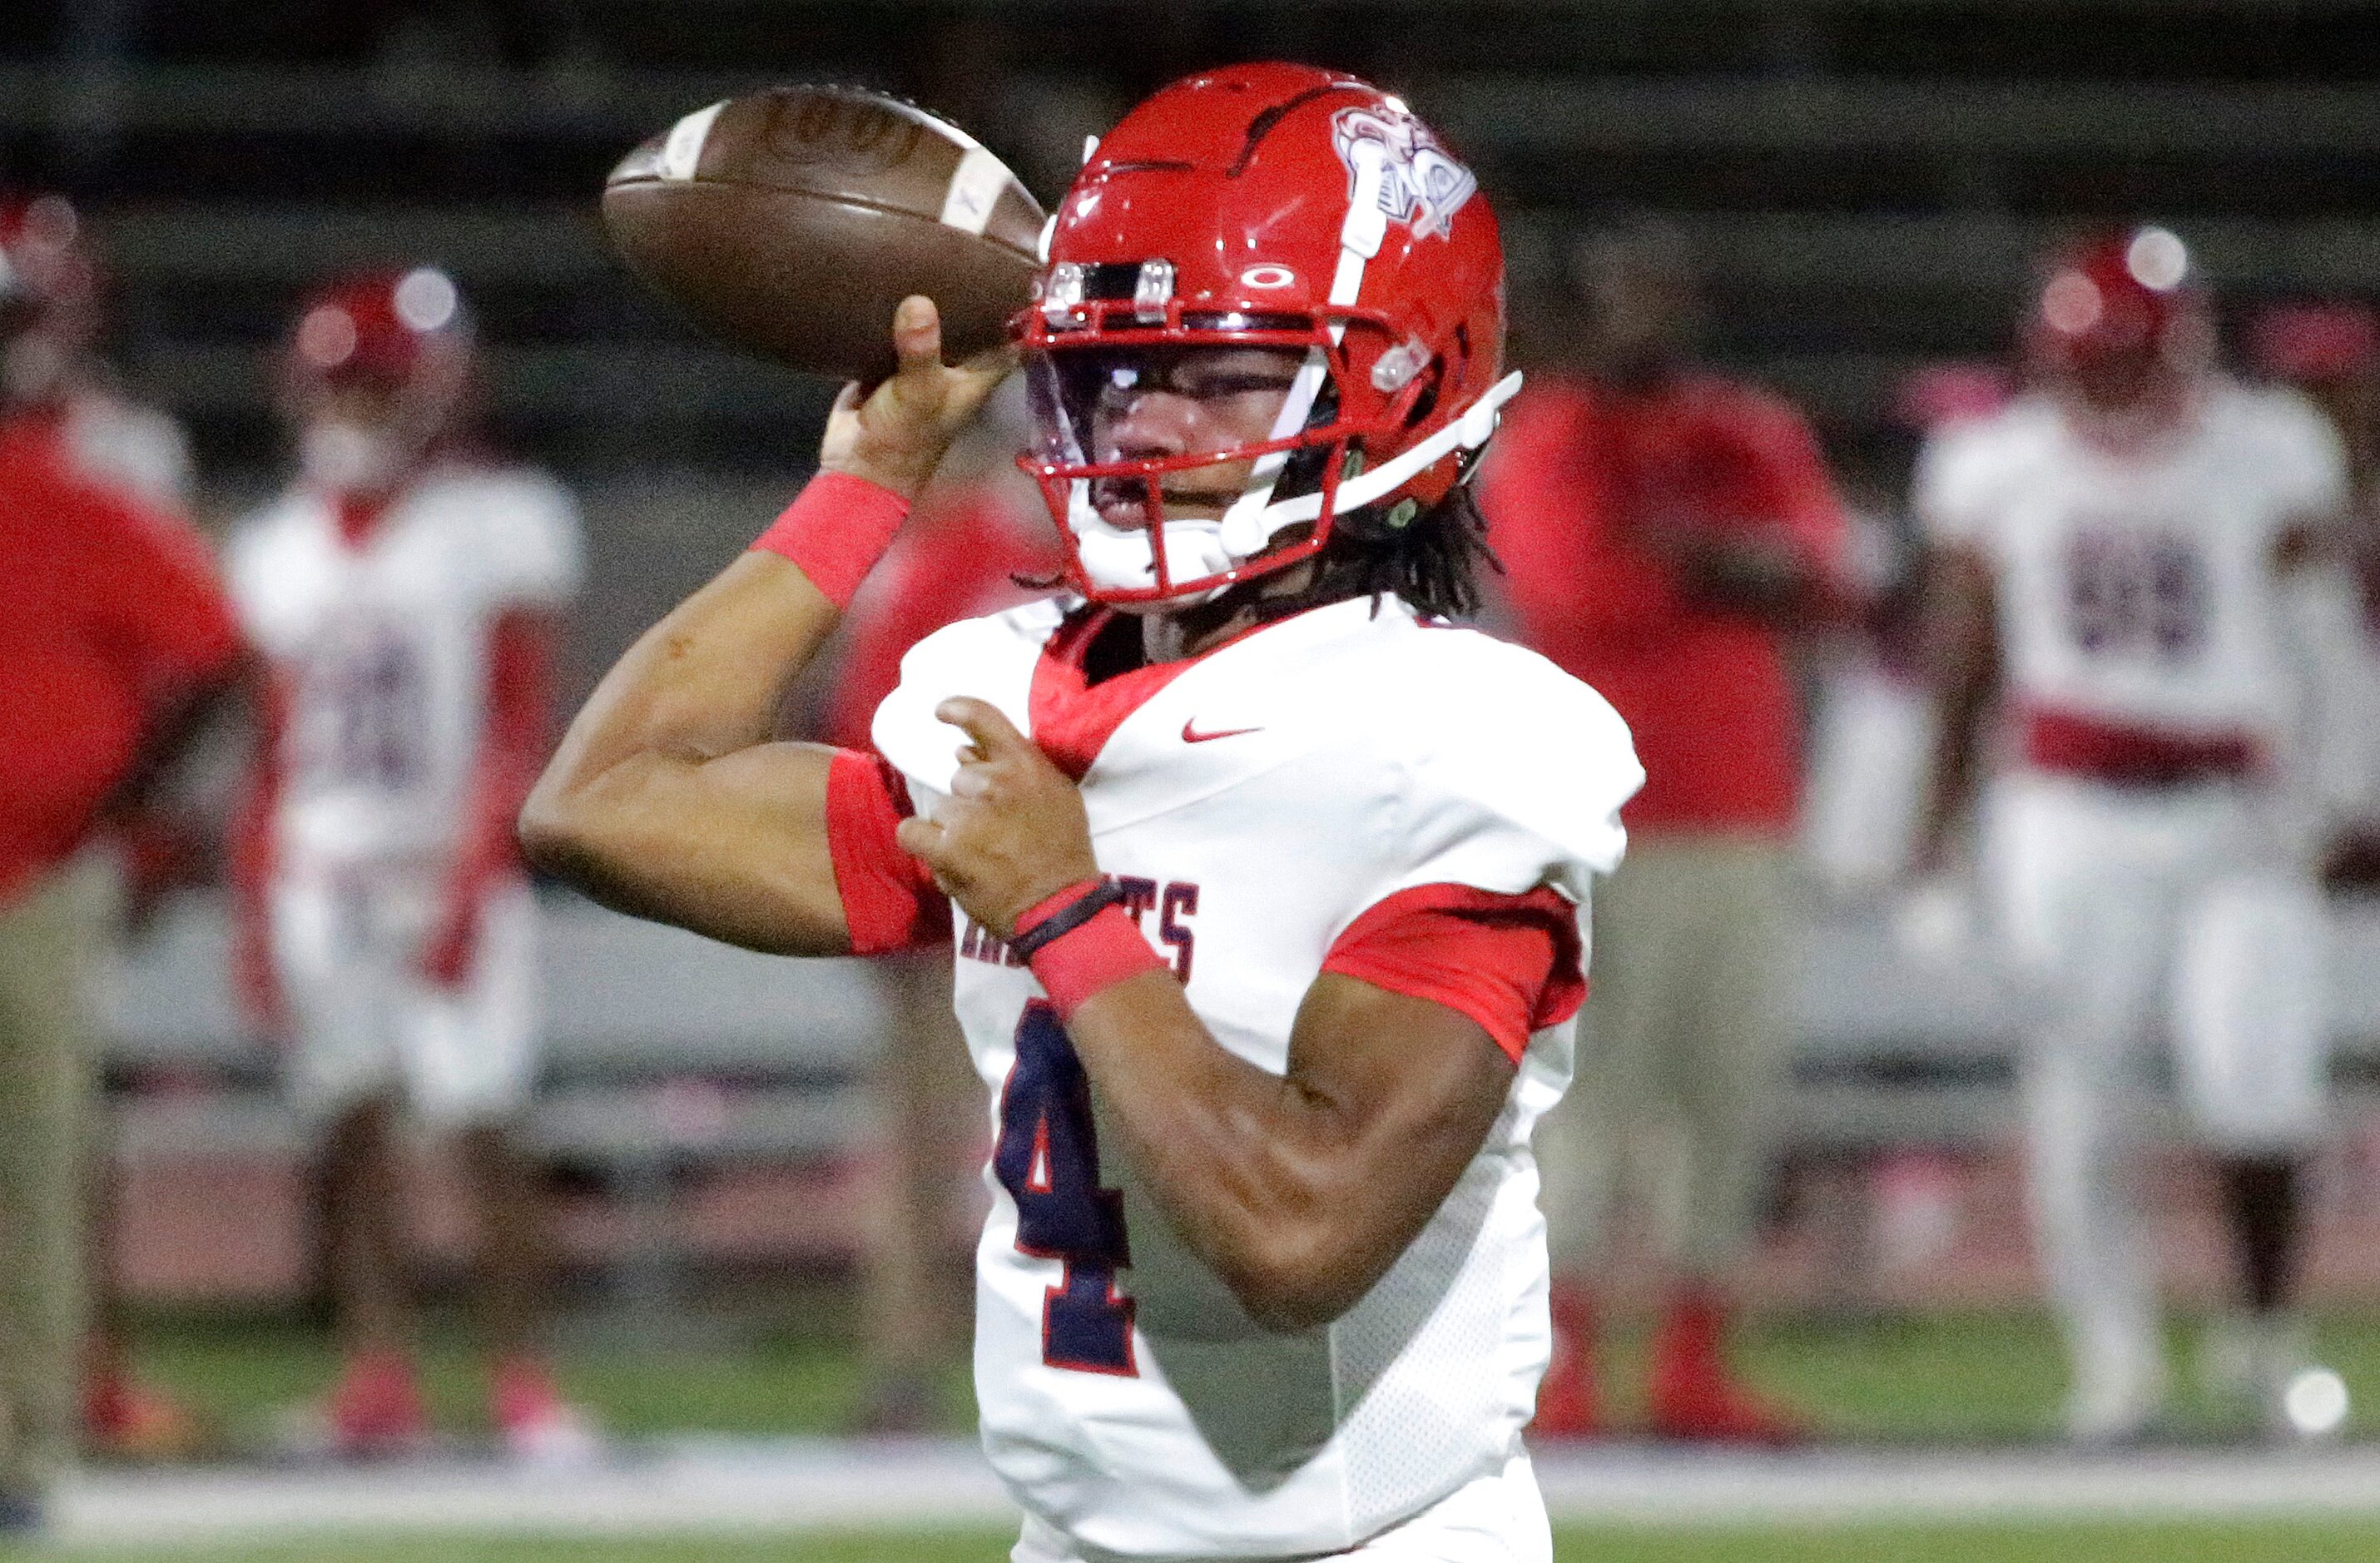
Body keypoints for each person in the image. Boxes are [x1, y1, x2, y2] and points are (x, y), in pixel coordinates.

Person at [523, 63, 1641, 1561]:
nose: (1153, 420)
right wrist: (868, 484)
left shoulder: (1445, 744)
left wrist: (1065, 906)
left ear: (1396, 383)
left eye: (1223, 369)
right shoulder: (1013, 694)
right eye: (1124, 366)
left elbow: (1299, 1234)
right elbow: (606, 801)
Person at [1915, 227, 2354, 1441]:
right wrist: (1933, 849)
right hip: (2067, 812)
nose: (2112, 388)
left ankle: (2266, 1345)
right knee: (2079, 1103)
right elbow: (1962, 666)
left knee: (2260, 1091)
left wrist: (2344, 795)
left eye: (2130, 359)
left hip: (2236, 805)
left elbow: (2324, 642)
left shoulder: (2270, 450)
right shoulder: (1995, 464)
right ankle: (2116, 1367)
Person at [1475, 224, 1847, 1442]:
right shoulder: (1552, 438)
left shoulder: (1749, 430)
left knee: (1722, 1093)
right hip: (1593, 811)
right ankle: (1568, 1360)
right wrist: (1726, 569)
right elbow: (1576, 587)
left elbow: (1824, 572)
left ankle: (1696, 1358)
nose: (1650, 317)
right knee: (1589, 1096)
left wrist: (1689, 561)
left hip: (1739, 806)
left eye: (1664, 290)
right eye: (1628, 293)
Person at [226, 267, 592, 1460]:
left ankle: (520, 1381)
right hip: (322, 879)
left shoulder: (500, 522)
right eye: (342, 385)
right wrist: (250, 910)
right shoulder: (272, 544)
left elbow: (512, 723)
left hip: (446, 866)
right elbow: (272, 747)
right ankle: (377, 1374)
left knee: (485, 1126)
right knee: (354, 1135)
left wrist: (475, 881)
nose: (355, 409)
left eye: (377, 385)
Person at [0, 194, 247, 1526]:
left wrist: (112, 807)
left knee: (43, 1162)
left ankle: (29, 1442)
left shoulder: (92, 471)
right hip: (51, 858)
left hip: (42, 869)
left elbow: (215, 653)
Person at [816, 408, 1055, 1434]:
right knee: (938, 1141)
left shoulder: (941, 560)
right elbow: (873, 730)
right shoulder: (961, 558)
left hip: (992, 891)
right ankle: (914, 1363)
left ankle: (942, 1361)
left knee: (976, 1141)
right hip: (957, 897)